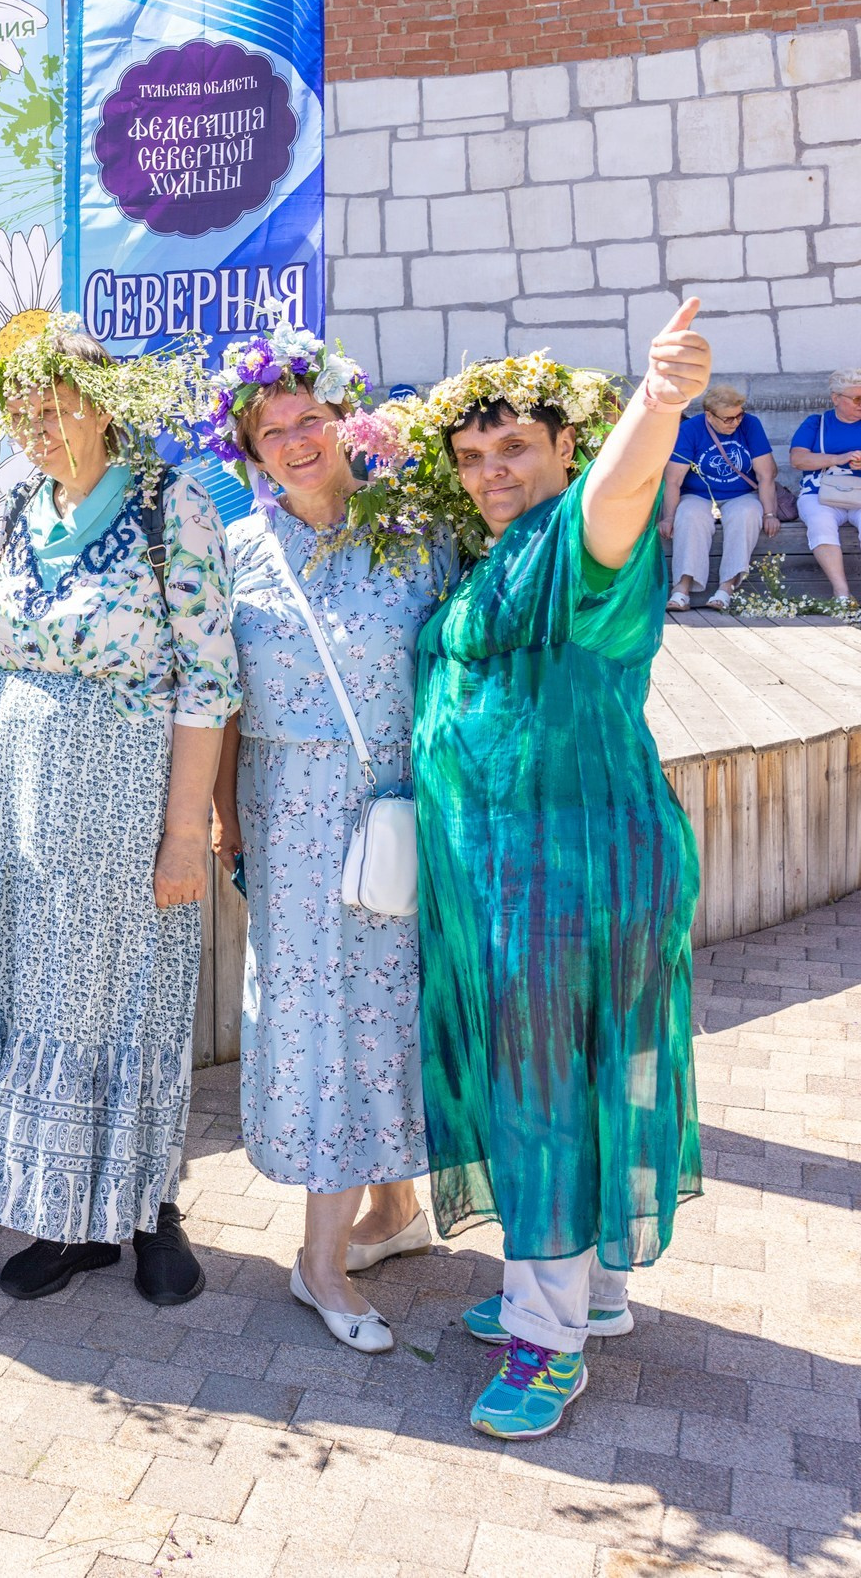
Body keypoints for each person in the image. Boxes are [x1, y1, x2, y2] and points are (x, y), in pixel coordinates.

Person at [392, 305, 709, 1440]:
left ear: (565, 445)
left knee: (543, 1089)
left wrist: (657, 405)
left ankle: (546, 1341)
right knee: (590, 1076)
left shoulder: (580, 540)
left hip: (570, 875)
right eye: (472, 455)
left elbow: (620, 496)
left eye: (515, 447)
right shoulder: (499, 556)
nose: (491, 471)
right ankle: (593, 1289)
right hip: (524, 874)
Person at [0, 321, 235, 1307]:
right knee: (38, 1000)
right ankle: (64, 1215)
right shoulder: (21, 506)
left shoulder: (168, 504)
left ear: (102, 407)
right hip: (18, 793)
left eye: (55, 407)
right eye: (21, 410)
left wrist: (183, 834)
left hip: (123, 798)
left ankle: (149, 1213)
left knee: (122, 1001)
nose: (36, 426)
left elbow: (208, 682)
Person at [203, 324, 445, 1355]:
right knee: (320, 1021)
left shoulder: (417, 535)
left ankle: (394, 1208)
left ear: (345, 420)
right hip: (288, 818)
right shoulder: (238, 556)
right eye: (273, 431)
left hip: (398, 805)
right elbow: (216, 699)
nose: (297, 442)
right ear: (250, 453)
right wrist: (220, 811)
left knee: (393, 1006)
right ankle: (321, 1263)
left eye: (310, 419)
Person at [659, 381, 775, 611]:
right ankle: (682, 589)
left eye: (739, 415)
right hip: (698, 494)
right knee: (689, 515)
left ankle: (725, 589)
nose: (735, 422)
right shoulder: (690, 429)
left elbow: (766, 474)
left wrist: (770, 513)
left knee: (747, 513)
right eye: (728, 419)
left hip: (741, 494)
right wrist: (669, 517)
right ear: (709, 415)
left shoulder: (750, 424)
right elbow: (673, 480)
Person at [790, 367, 861, 606]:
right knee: (820, 522)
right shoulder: (817, 423)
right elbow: (798, 459)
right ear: (836, 398)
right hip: (821, 493)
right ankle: (841, 594)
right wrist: (837, 459)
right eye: (857, 399)